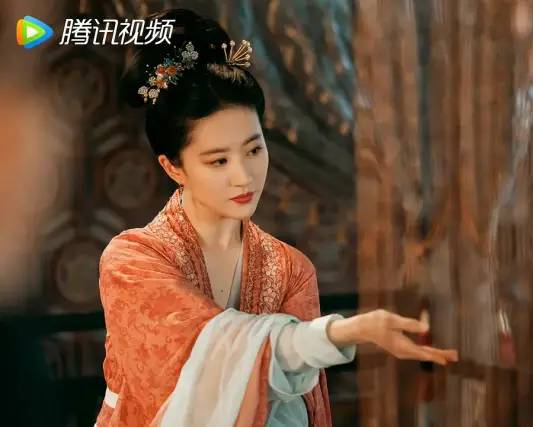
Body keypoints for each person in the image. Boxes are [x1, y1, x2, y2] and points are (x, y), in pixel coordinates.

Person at [95, 8, 458, 427]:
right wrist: (347, 332)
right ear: (173, 167)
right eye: (218, 161)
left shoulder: (289, 269)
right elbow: (190, 368)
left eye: (254, 149)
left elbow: (297, 404)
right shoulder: (132, 261)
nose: (244, 175)